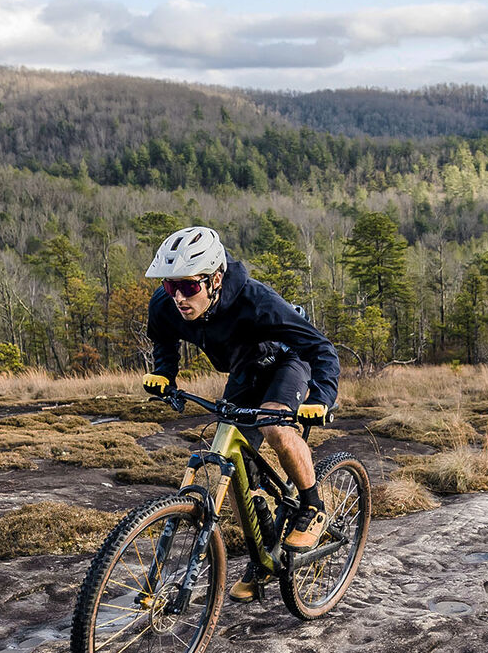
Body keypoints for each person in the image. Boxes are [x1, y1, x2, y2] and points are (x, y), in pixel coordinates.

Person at [141, 225, 342, 601]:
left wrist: (322, 397)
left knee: (274, 427)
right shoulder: (166, 305)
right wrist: (165, 372)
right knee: (232, 467)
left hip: (288, 360)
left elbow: (320, 348)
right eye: (171, 287)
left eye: (188, 287)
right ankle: (263, 554)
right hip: (246, 367)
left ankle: (313, 507)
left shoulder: (256, 302)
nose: (178, 297)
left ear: (215, 279)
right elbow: (163, 338)